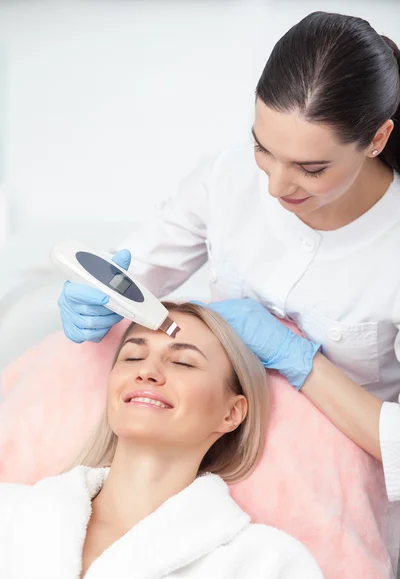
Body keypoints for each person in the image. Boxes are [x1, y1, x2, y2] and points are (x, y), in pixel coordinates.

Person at [58, 12, 400, 500]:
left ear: (377, 139)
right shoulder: (227, 179)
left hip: (334, 487)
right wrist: (100, 293)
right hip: (212, 459)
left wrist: (302, 363)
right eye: (263, 148)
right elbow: (137, 269)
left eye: (311, 168)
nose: (276, 185)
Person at [0, 302, 331, 579]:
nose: (146, 371)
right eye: (132, 356)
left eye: (183, 362)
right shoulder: (9, 512)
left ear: (231, 413)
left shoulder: (268, 565)